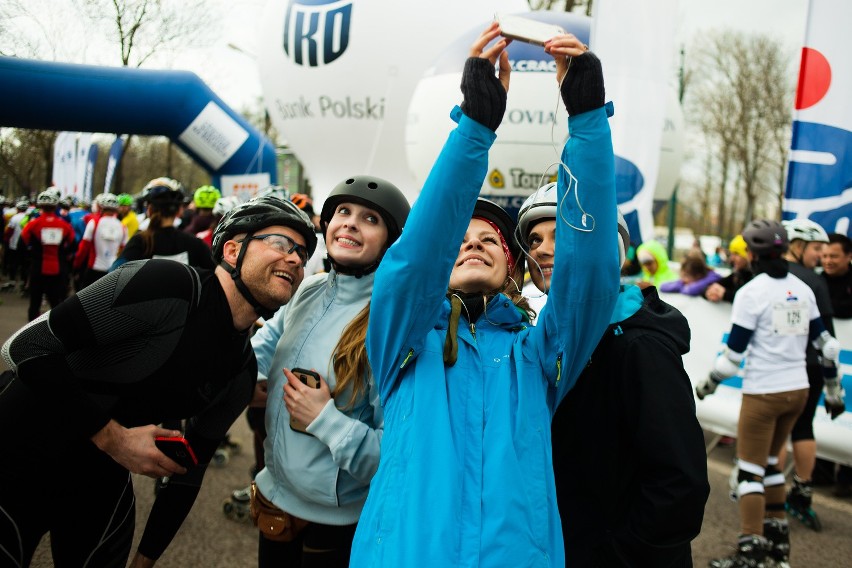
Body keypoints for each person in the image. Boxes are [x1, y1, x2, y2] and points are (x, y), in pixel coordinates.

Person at [349, 25, 620, 568]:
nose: (471, 245)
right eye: (459, 242)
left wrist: (588, 122)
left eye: (488, 241)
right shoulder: (403, 340)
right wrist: (474, 129)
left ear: (512, 268)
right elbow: (411, 264)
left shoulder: (539, 355)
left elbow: (588, 274)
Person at [0, 194, 317, 568]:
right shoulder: (163, 284)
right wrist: (112, 436)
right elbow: (23, 347)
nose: (295, 258)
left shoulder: (240, 374)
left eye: (302, 253)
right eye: (280, 243)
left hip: (100, 479)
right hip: (19, 451)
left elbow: (187, 475)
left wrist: (145, 560)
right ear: (232, 251)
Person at [518, 184, 709, 566]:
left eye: (561, 234)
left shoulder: (638, 345)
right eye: (534, 239)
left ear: (608, 249)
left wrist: (616, 555)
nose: (541, 248)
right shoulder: (550, 343)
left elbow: (678, 483)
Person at [248, 175, 410, 567]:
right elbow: (262, 347)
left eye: (370, 218)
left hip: (334, 524)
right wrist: (244, 379)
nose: (351, 222)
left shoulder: (389, 325)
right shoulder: (310, 289)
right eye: (343, 211)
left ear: (391, 241)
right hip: (274, 497)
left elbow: (395, 456)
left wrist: (324, 420)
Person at [695, 219, 845, 567]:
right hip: (798, 391)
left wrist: (709, 383)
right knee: (774, 465)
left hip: (764, 393)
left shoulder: (753, 292)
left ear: (752, 253)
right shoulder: (803, 288)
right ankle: (778, 547)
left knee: (749, 471)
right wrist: (834, 388)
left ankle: (750, 550)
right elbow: (827, 345)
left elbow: (733, 357)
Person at [779, 217, 835, 531]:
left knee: (776, 429)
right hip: (809, 368)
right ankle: (801, 490)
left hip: (780, 366)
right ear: (797, 246)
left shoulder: (769, 274)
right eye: (816, 249)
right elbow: (828, 337)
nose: (821, 256)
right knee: (802, 427)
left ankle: (765, 490)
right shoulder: (815, 282)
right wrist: (833, 385)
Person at [113, 177, 215, 271]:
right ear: (179, 211)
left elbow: (114, 275)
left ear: (149, 210)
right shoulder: (195, 244)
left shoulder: (140, 242)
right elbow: (215, 275)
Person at [820, 232, 852, 497]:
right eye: (825, 255)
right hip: (825, 362)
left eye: (834, 256)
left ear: (849, 257)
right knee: (823, 410)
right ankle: (820, 468)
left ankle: (847, 476)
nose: (828, 260)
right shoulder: (817, 280)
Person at [19, 188, 76, 321]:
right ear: (55, 206)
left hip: (37, 267)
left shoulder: (33, 224)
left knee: (35, 303)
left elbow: (21, 245)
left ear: (40, 206)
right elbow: (73, 245)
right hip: (58, 268)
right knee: (57, 304)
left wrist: (29, 258)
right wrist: (64, 255)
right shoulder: (64, 225)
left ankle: (30, 334)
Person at [72, 192, 129, 288]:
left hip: (94, 268)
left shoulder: (94, 223)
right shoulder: (123, 227)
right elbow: (124, 251)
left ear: (101, 207)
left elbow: (84, 247)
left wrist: (76, 265)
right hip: (113, 270)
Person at [704, 234, 753, 303]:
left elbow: (749, 300)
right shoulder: (737, 274)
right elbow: (714, 284)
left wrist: (725, 294)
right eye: (731, 254)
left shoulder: (754, 279)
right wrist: (710, 291)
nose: (731, 258)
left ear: (748, 255)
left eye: (736, 253)